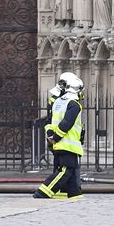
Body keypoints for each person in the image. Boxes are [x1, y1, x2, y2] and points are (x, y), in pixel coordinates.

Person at [34, 71, 85, 201]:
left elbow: (50, 122)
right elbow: (67, 123)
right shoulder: (74, 104)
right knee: (65, 170)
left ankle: (73, 195)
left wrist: (51, 136)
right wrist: (56, 137)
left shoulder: (57, 103)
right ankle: (43, 192)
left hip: (57, 143)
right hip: (67, 143)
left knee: (71, 171)